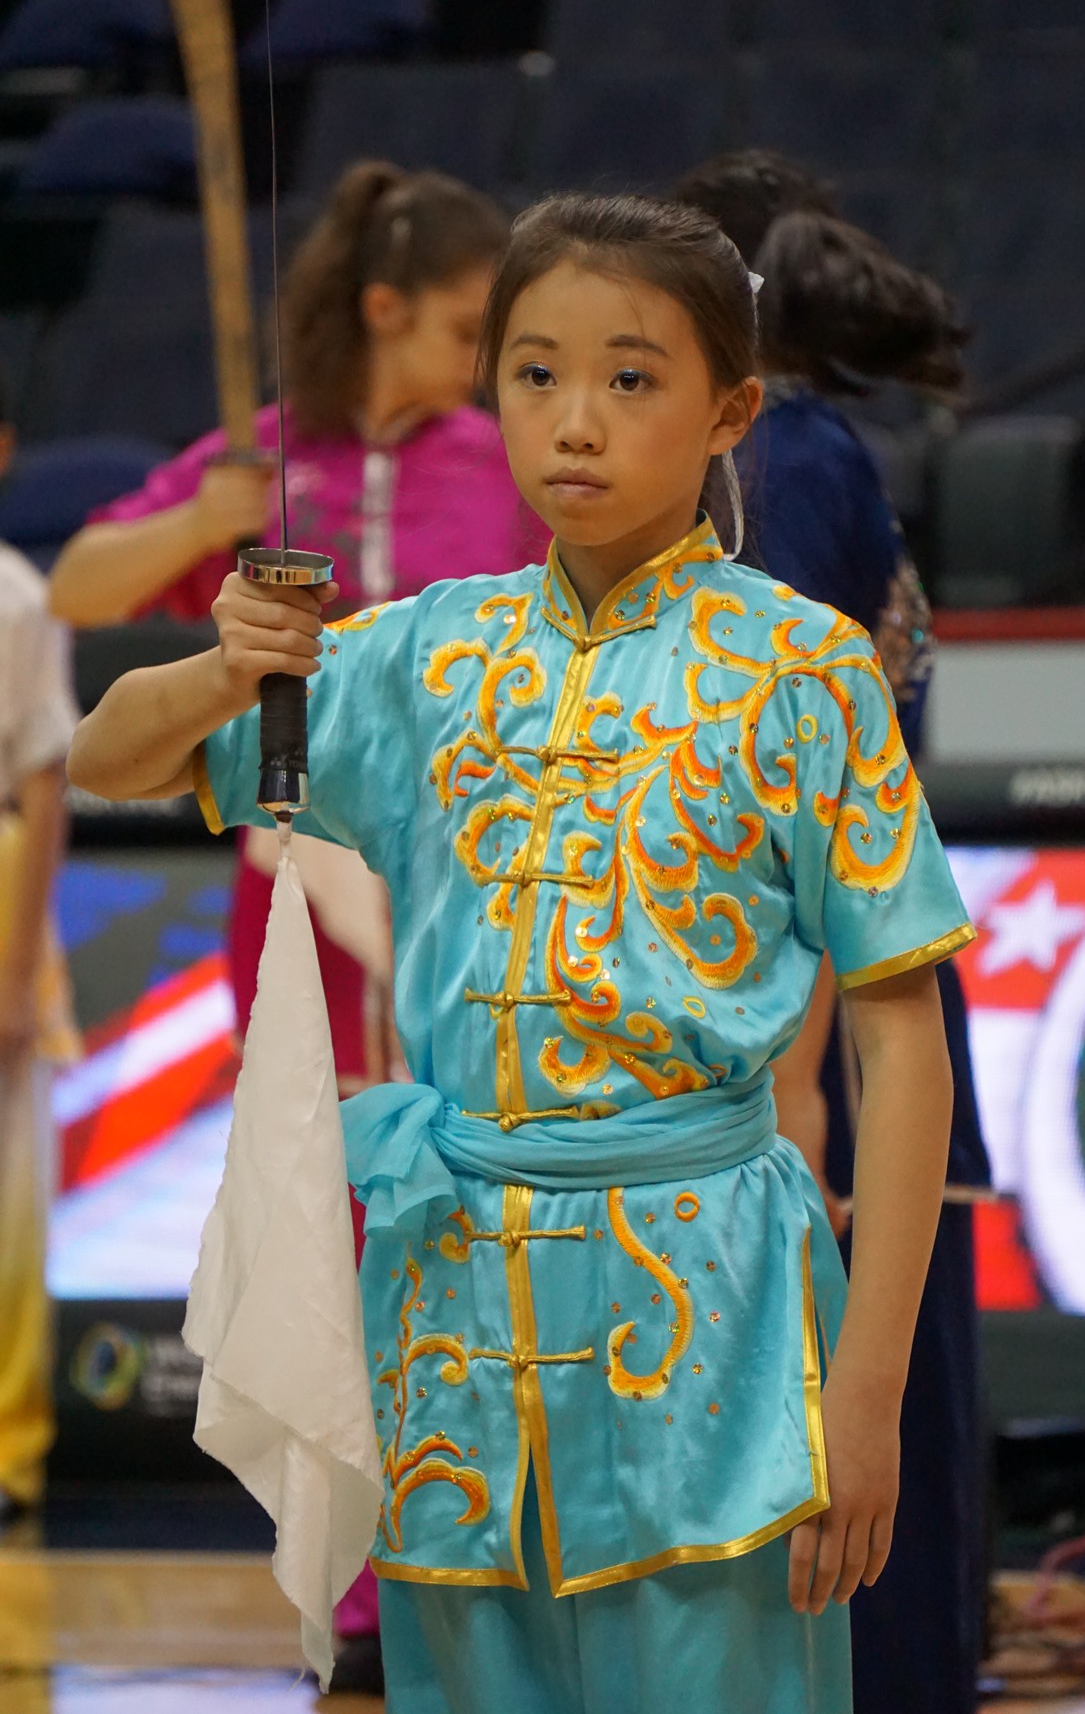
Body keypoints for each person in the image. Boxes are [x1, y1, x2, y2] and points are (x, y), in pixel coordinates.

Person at [68, 192, 974, 1714]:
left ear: (731, 412)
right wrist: (229, 668)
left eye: (631, 378)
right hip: (453, 1317)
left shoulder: (806, 671)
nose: (576, 421)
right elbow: (111, 755)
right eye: (536, 374)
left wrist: (871, 1391)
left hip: (716, 1314)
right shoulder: (430, 653)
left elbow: (902, 1035)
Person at [49, 157, 538, 1693]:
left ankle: (479, 1548)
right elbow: (78, 586)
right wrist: (201, 517)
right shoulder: (260, 461)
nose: (482, 359)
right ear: (382, 310)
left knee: (466, 1212)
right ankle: (357, 1581)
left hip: (470, 888)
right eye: (461, 326)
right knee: (330, 1213)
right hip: (295, 889)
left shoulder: (503, 458)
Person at [677, 148, 992, 1714]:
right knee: (894, 1404)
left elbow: (796, 805)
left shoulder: (781, 476)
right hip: (855, 997)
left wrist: (795, 1081)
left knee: (857, 1420)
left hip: (828, 1017)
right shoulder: (809, 456)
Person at [0, 381, 79, 1522]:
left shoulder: (19, 595)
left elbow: (48, 780)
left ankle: (8, 1449)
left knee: (8, 1180)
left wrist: (16, 976)